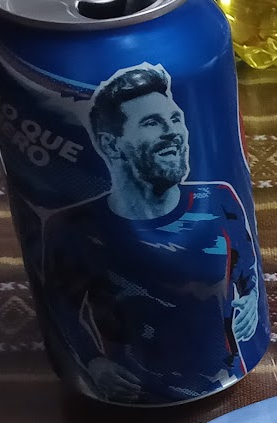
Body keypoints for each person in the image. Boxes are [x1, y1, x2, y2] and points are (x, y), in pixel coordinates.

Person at [39, 64, 264, 403]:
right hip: (132, 392)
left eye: (175, 119)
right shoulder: (72, 228)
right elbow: (59, 306)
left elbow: (245, 261)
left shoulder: (219, 199)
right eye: (151, 123)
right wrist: (92, 361)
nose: (172, 132)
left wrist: (250, 297)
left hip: (228, 374)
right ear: (111, 144)